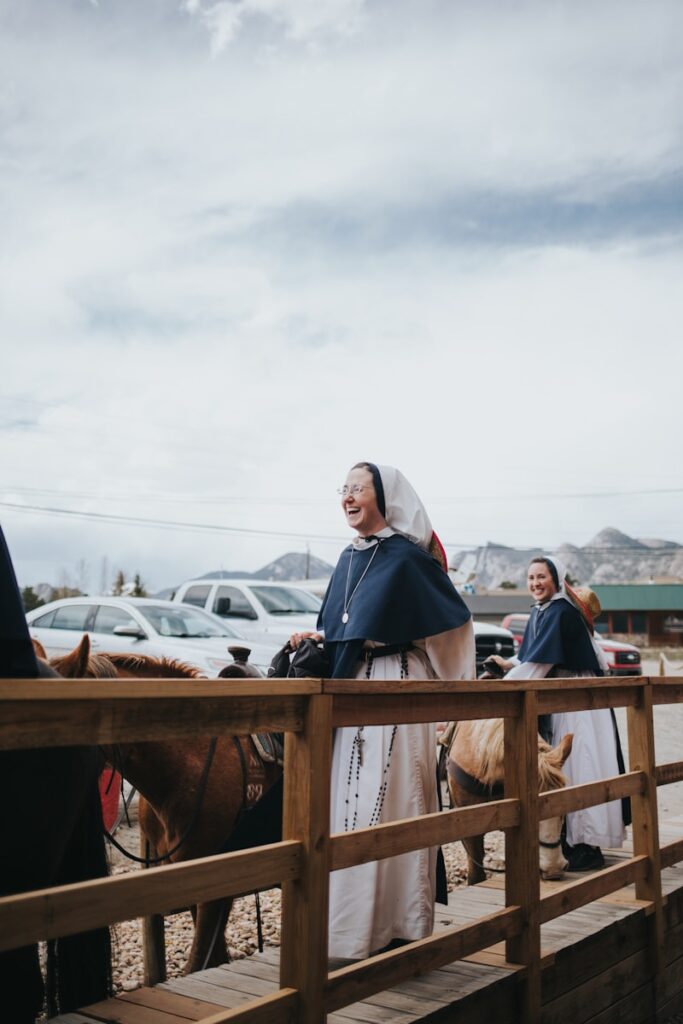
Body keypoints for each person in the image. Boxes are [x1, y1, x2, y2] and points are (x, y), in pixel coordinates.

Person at [291, 462, 475, 959]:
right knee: (348, 808)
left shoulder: (407, 560)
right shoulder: (347, 558)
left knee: (394, 801)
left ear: (384, 498)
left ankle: (398, 923)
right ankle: (346, 930)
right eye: (344, 490)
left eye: (358, 489)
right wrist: (319, 641)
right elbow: (343, 626)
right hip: (353, 691)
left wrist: (449, 691)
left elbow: (452, 629)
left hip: (398, 688)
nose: (348, 498)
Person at [491, 555, 625, 872]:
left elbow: (540, 664)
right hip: (560, 693)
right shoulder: (543, 610)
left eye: (542, 577)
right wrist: (508, 664)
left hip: (576, 698)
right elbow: (531, 654)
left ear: (556, 580)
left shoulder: (561, 611)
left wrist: (503, 687)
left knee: (581, 764)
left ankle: (585, 844)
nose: (535, 583)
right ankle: (565, 840)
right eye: (531, 577)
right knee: (565, 766)